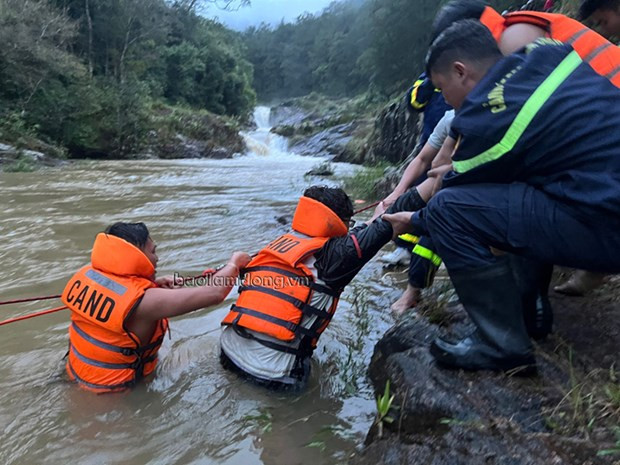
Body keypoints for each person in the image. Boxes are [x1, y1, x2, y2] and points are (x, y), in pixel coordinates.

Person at [384, 20, 620, 372]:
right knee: (524, 187)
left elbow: (450, 198)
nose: (444, 98)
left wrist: (412, 218)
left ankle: (502, 345)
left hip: (607, 225)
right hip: (601, 194)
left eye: (441, 87)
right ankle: (532, 312)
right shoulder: (547, 53)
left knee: (451, 210)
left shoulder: (486, 123)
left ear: (460, 71)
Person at [219, 186, 412, 390]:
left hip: (227, 353)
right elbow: (386, 226)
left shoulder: (279, 245)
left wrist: (373, 219)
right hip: (273, 376)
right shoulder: (337, 258)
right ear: (339, 224)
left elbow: (357, 239)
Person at [61, 222, 251, 393]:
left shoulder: (87, 276)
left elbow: (123, 296)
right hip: (114, 396)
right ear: (135, 255)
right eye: (153, 251)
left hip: (77, 374)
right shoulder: (146, 302)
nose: (157, 258)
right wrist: (234, 263)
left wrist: (153, 286)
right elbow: (213, 294)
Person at [378, 111, 456, 313]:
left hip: (486, 192)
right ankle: (412, 293)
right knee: (428, 237)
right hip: (446, 191)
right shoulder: (449, 117)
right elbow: (424, 159)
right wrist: (397, 192)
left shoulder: (492, 112)